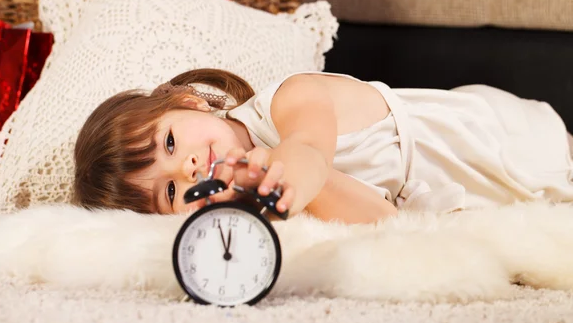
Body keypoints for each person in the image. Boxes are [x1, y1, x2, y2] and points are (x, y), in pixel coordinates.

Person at [73, 68, 573, 224]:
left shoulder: (289, 99)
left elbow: (309, 153)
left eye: (170, 141)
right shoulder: (256, 209)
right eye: (170, 193)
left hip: (492, 139)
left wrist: (274, 180)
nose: (187, 169)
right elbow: (386, 223)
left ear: (189, 103)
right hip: (470, 203)